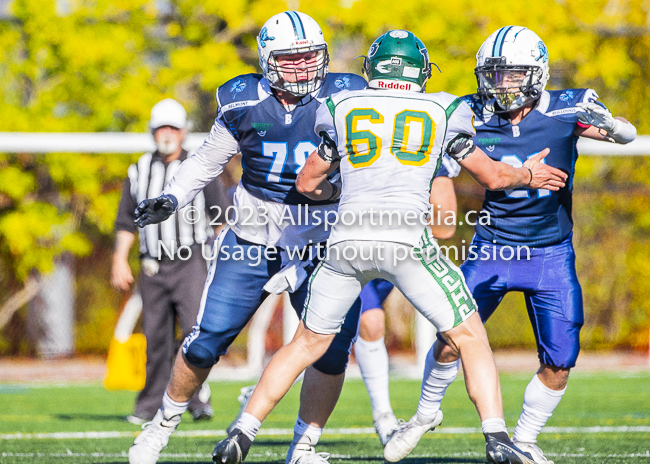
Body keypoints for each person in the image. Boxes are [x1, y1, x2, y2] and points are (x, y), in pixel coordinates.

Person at [213, 29, 568, 464]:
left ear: (372, 68)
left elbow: (307, 183)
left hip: (346, 241)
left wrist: (336, 194)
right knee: (470, 335)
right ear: (421, 70)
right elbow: (492, 176)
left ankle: (242, 433)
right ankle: (496, 438)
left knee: (305, 343)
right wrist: (528, 176)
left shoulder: (341, 105)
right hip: (405, 242)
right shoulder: (443, 108)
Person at [385, 26, 637, 464]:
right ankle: (425, 413)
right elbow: (433, 143)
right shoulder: (469, 112)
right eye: (494, 75)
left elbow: (627, 136)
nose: (502, 85)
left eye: (513, 74)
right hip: (493, 246)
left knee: (561, 359)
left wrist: (611, 125)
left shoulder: (567, 108)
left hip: (550, 251)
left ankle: (524, 438)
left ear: (537, 73)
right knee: (450, 336)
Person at [127, 11, 368, 464]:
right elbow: (205, 162)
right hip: (252, 238)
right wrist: (171, 197)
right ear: (267, 61)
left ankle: (304, 447)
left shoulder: (347, 96)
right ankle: (158, 430)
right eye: (289, 59)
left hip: (323, 243)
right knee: (205, 341)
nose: (301, 67)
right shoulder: (242, 100)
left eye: (309, 57)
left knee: (333, 350)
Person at [111, 98, 230, 424]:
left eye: (172, 128)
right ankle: (149, 406)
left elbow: (219, 217)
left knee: (195, 331)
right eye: (161, 127)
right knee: (156, 338)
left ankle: (197, 399)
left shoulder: (200, 166)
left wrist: (226, 259)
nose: (166, 133)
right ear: (153, 131)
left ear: (183, 132)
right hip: (152, 265)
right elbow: (126, 221)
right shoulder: (138, 170)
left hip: (191, 261)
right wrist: (119, 259)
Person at [355, 154, 460, 445]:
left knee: (342, 336)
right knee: (366, 323)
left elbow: (445, 227)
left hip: (391, 255)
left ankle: (269, 386)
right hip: (350, 248)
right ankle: (384, 417)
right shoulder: (361, 143)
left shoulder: (428, 149)